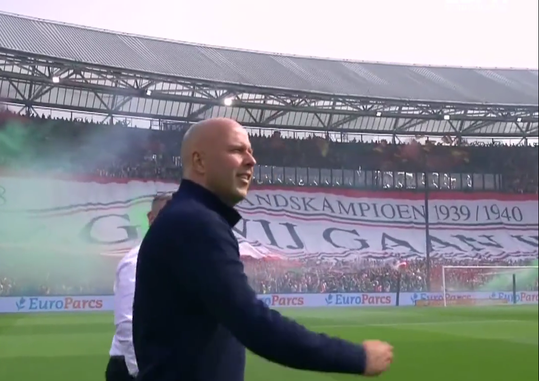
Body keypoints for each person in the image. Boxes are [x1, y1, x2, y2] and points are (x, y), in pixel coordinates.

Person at [132, 118, 393, 381]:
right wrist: (356, 357)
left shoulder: (186, 217)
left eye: (251, 151)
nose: (251, 161)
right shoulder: (196, 223)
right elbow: (253, 322)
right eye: (237, 150)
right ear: (199, 161)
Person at [106, 194, 172, 381]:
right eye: (166, 215)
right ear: (151, 218)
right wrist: (141, 372)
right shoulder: (137, 261)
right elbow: (128, 324)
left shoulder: (173, 259)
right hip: (132, 368)